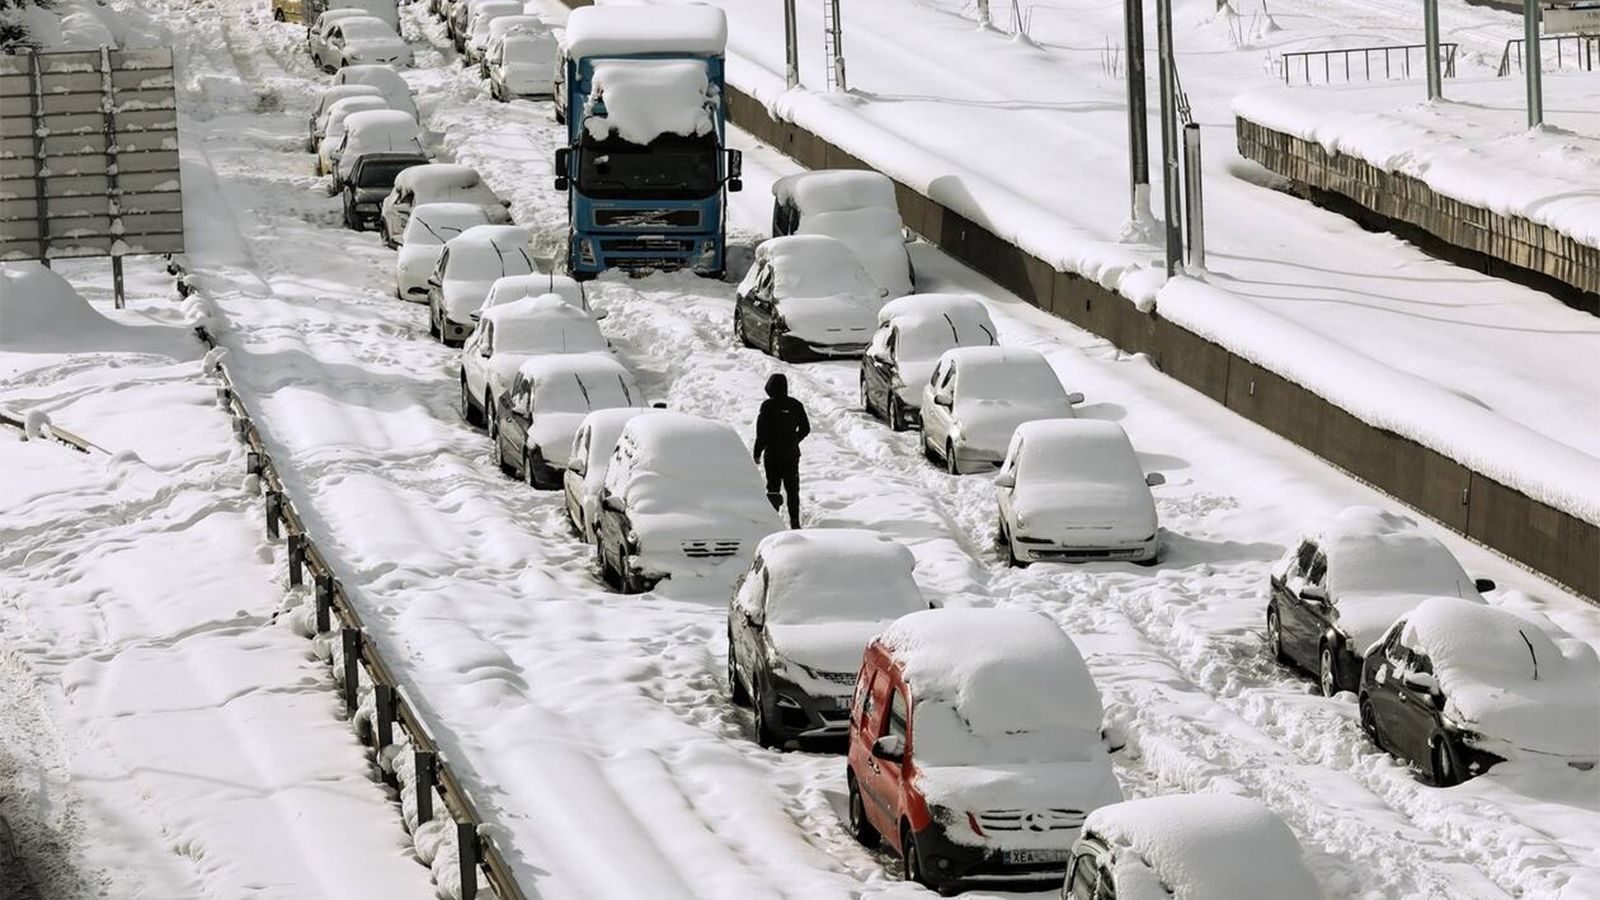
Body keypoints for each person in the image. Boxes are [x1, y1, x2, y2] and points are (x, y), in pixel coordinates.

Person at [752, 373, 809, 529]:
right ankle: (795, 521)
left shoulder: (767, 406)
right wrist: (794, 440)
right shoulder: (796, 405)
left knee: (773, 488)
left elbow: (761, 433)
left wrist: (757, 453)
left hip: (772, 454)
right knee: (792, 488)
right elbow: (806, 428)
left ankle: (773, 520)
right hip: (791, 453)